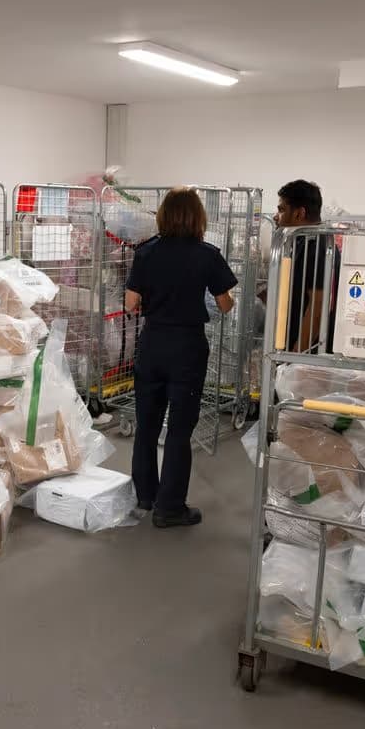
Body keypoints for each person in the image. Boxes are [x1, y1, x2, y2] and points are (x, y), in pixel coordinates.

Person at [125, 187, 238, 528]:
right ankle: (170, 507)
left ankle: (145, 495)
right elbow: (224, 303)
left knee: (146, 424)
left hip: (152, 342)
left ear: (163, 215)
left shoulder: (146, 253)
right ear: (197, 217)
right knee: (178, 429)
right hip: (187, 346)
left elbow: (131, 303)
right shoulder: (207, 255)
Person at [255, 179, 337, 352]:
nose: (276, 216)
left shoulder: (318, 246)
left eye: (282, 209)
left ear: (300, 213)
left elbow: (318, 306)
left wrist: (296, 354)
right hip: (290, 346)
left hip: (306, 355)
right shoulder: (300, 242)